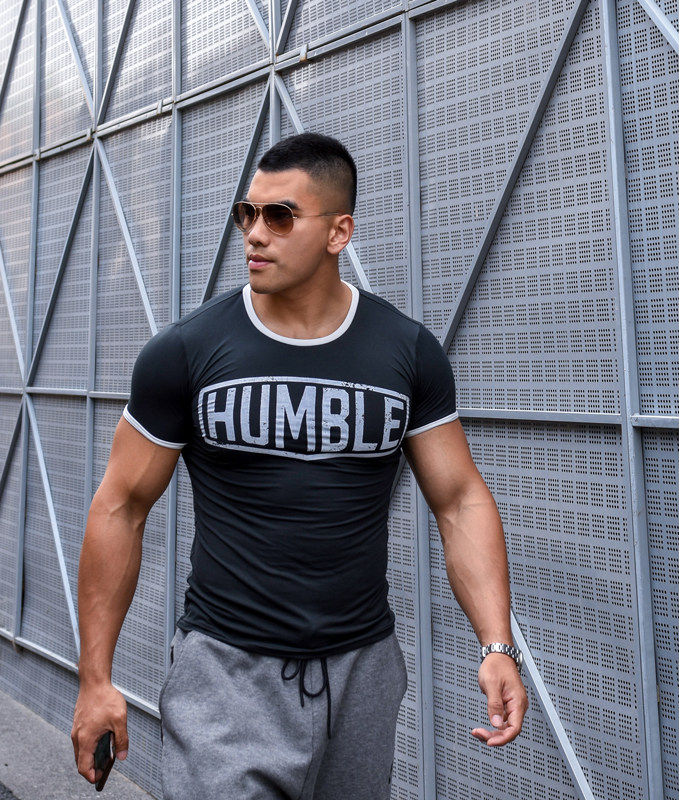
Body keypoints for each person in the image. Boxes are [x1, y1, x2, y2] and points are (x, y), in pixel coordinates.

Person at [71, 132, 528, 799]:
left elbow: (459, 499)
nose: (255, 234)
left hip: (361, 674)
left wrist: (496, 644)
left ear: (339, 231)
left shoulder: (406, 351)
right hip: (225, 673)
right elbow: (121, 505)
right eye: (247, 214)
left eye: (280, 216)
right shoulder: (187, 351)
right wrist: (95, 678)